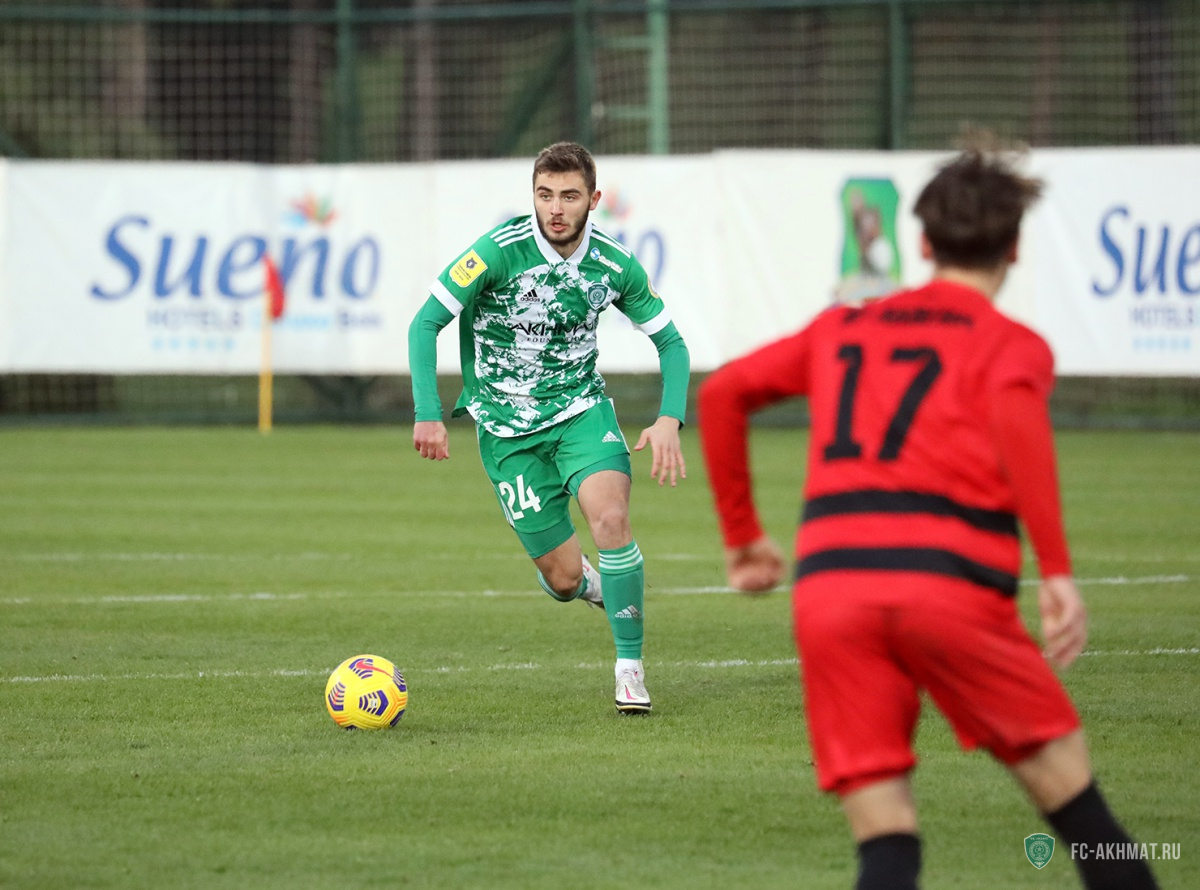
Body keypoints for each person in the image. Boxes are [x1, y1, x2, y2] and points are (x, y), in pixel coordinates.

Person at [697, 136, 1158, 889]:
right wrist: (1057, 572)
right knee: (1085, 820)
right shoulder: (1010, 345)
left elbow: (722, 395)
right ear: (1015, 247)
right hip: (950, 589)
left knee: (885, 842)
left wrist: (744, 535)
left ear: (920, 242)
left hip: (833, 595)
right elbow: (1019, 433)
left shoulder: (841, 327)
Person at [409, 141, 690, 714]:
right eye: (544, 195)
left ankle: (630, 669)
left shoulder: (614, 265)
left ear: (593, 200)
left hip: (581, 412)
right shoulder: (497, 251)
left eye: (569, 196)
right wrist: (428, 413)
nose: (555, 209)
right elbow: (425, 323)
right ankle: (589, 583)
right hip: (507, 431)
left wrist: (669, 417)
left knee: (611, 518)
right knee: (562, 581)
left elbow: (672, 343)